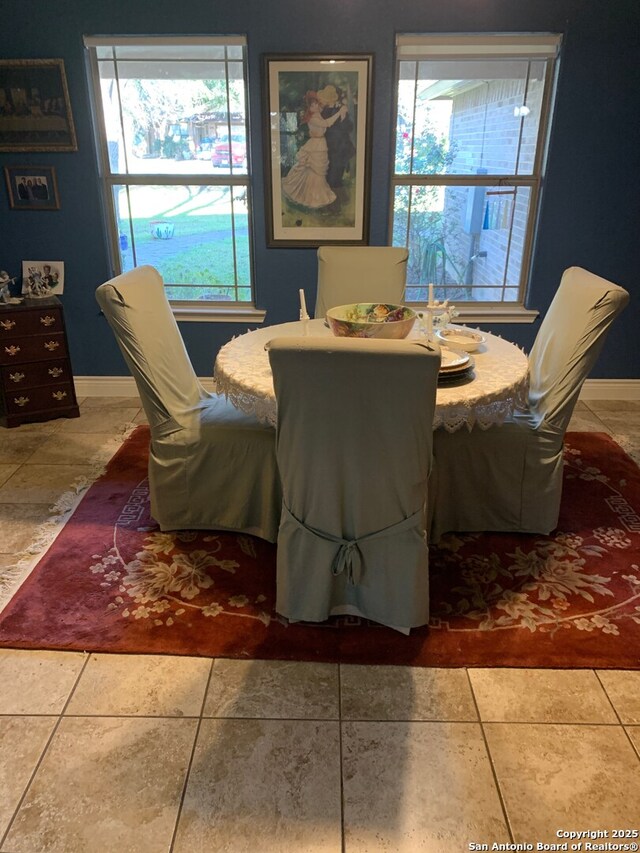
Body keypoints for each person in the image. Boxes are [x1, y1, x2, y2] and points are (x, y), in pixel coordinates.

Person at [281, 91, 348, 210]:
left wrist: (339, 106)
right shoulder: (312, 118)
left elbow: (326, 105)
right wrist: (339, 113)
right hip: (315, 145)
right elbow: (327, 123)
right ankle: (312, 197)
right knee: (314, 170)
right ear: (309, 108)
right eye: (312, 105)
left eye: (316, 104)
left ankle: (317, 195)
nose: (316, 106)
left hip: (321, 144)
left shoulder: (317, 113)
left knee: (319, 170)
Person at [317, 85, 356, 195]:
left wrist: (343, 116)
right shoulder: (323, 111)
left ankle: (336, 198)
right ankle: (333, 199)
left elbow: (349, 127)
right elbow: (324, 126)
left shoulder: (341, 109)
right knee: (330, 174)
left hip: (341, 147)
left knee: (337, 173)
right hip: (329, 147)